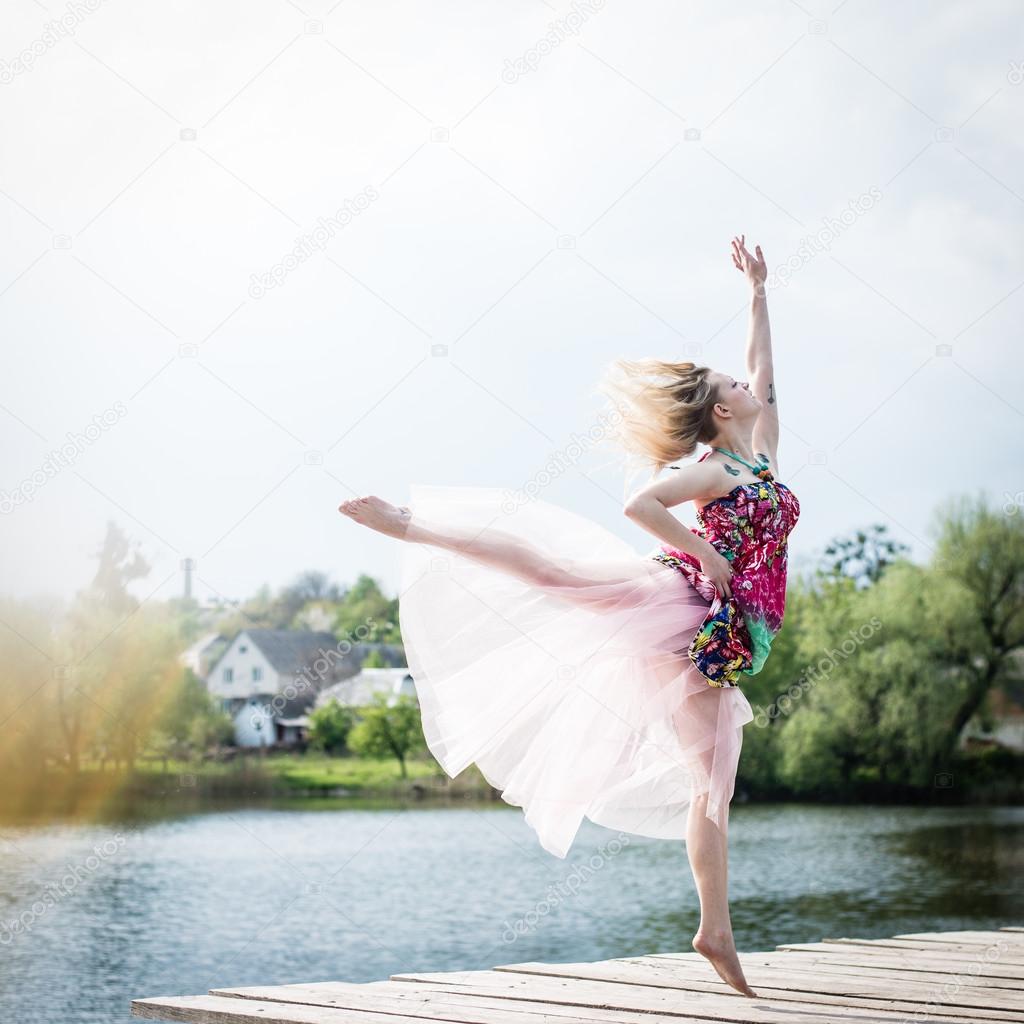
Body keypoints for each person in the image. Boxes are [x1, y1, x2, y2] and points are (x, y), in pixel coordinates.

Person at [339, 235, 799, 998]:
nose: (749, 385)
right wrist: (706, 555)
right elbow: (639, 504)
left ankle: (714, 929)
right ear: (723, 408)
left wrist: (757, 293)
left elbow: (767, 371)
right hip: (677, 602)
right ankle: (409, 523)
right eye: (734, 383)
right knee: (555, 575)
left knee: (712, 786)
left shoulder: (763, 456)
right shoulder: (714, 468)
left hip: (731, 638)